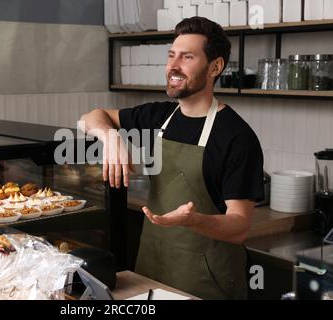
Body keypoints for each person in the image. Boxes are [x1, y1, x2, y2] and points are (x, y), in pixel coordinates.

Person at [79, 17, 264, 300]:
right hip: (152, 274)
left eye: (187, 57)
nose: (173, 67)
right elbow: (90, 117)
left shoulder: (237, 137)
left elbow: (239, 226)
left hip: (207, 285)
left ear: (215, 67)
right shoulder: (159, 116)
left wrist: (195, 220)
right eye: (171, 56)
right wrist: (110, 137)